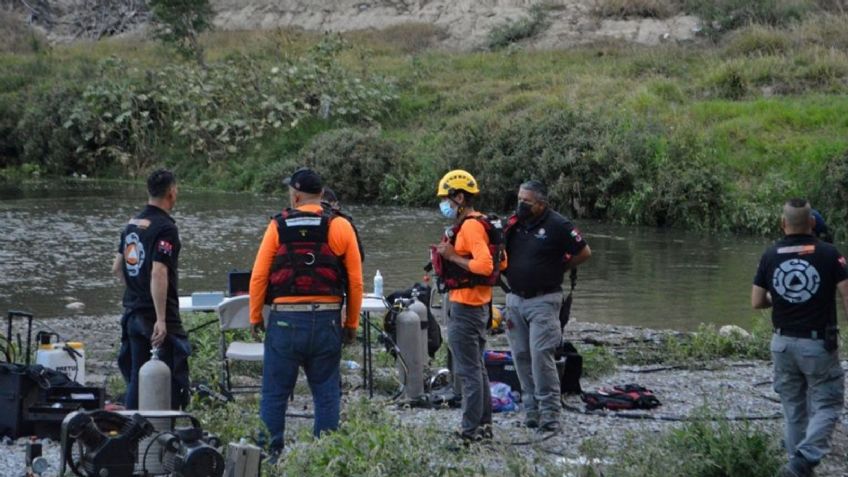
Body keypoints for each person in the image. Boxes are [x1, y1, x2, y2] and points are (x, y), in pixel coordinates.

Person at [249, 167, 363, 457]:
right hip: (327, 320)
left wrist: (255, 317)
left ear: (296, 194)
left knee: (274, 394)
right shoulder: (341, 226)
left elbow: (259, 276)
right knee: (326, 393)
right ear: (322, 194)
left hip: (285, 320)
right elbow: (355, 282)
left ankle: (269, 457)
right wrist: (351, 323)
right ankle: (324, 456)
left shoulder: (278, 226)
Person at [752, 198, 848, 477]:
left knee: (794, 409)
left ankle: (797, 468)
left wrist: (783, 295)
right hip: (816, 344)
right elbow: (846, 295)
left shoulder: (769, 255)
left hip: (781, 344)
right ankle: (803, 460)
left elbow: (757, 301)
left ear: (783, 224)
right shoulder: (831, 255)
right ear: (813, 222)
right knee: (828, 404)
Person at [502, 180, 591, 432]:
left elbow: (584, 252)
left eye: (526, 201)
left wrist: (560, 267)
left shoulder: (558, 225)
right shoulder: (513, 224)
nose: (520, 205)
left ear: (541, 204)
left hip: (544, 299)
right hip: (515, 298)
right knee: (520, 355)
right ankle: (530, 409)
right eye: (519, 199)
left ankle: (551, 412)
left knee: (542, 355)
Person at [433, 169, 506, 442]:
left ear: (460, 197)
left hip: (468, 307)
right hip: (477, 306)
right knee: (477, 368)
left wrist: (453, 256)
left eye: (447, 199)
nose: (444, 205)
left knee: (469, 372)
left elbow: (485, 265)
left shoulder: (473, 226)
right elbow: (502, 261)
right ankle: (483, 428)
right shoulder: (478, 223)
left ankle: (470, 431)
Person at [111, 168, 191, 410]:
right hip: (152, 315)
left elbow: (117, 267)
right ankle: (158, 430)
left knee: (137, 375)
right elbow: (158, 271)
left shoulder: (133, 223)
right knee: (168, 374)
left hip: (133, 311)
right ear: (172, 192)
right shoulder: (165, 228)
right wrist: (161, 319)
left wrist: (136, 289)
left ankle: (131, 429)